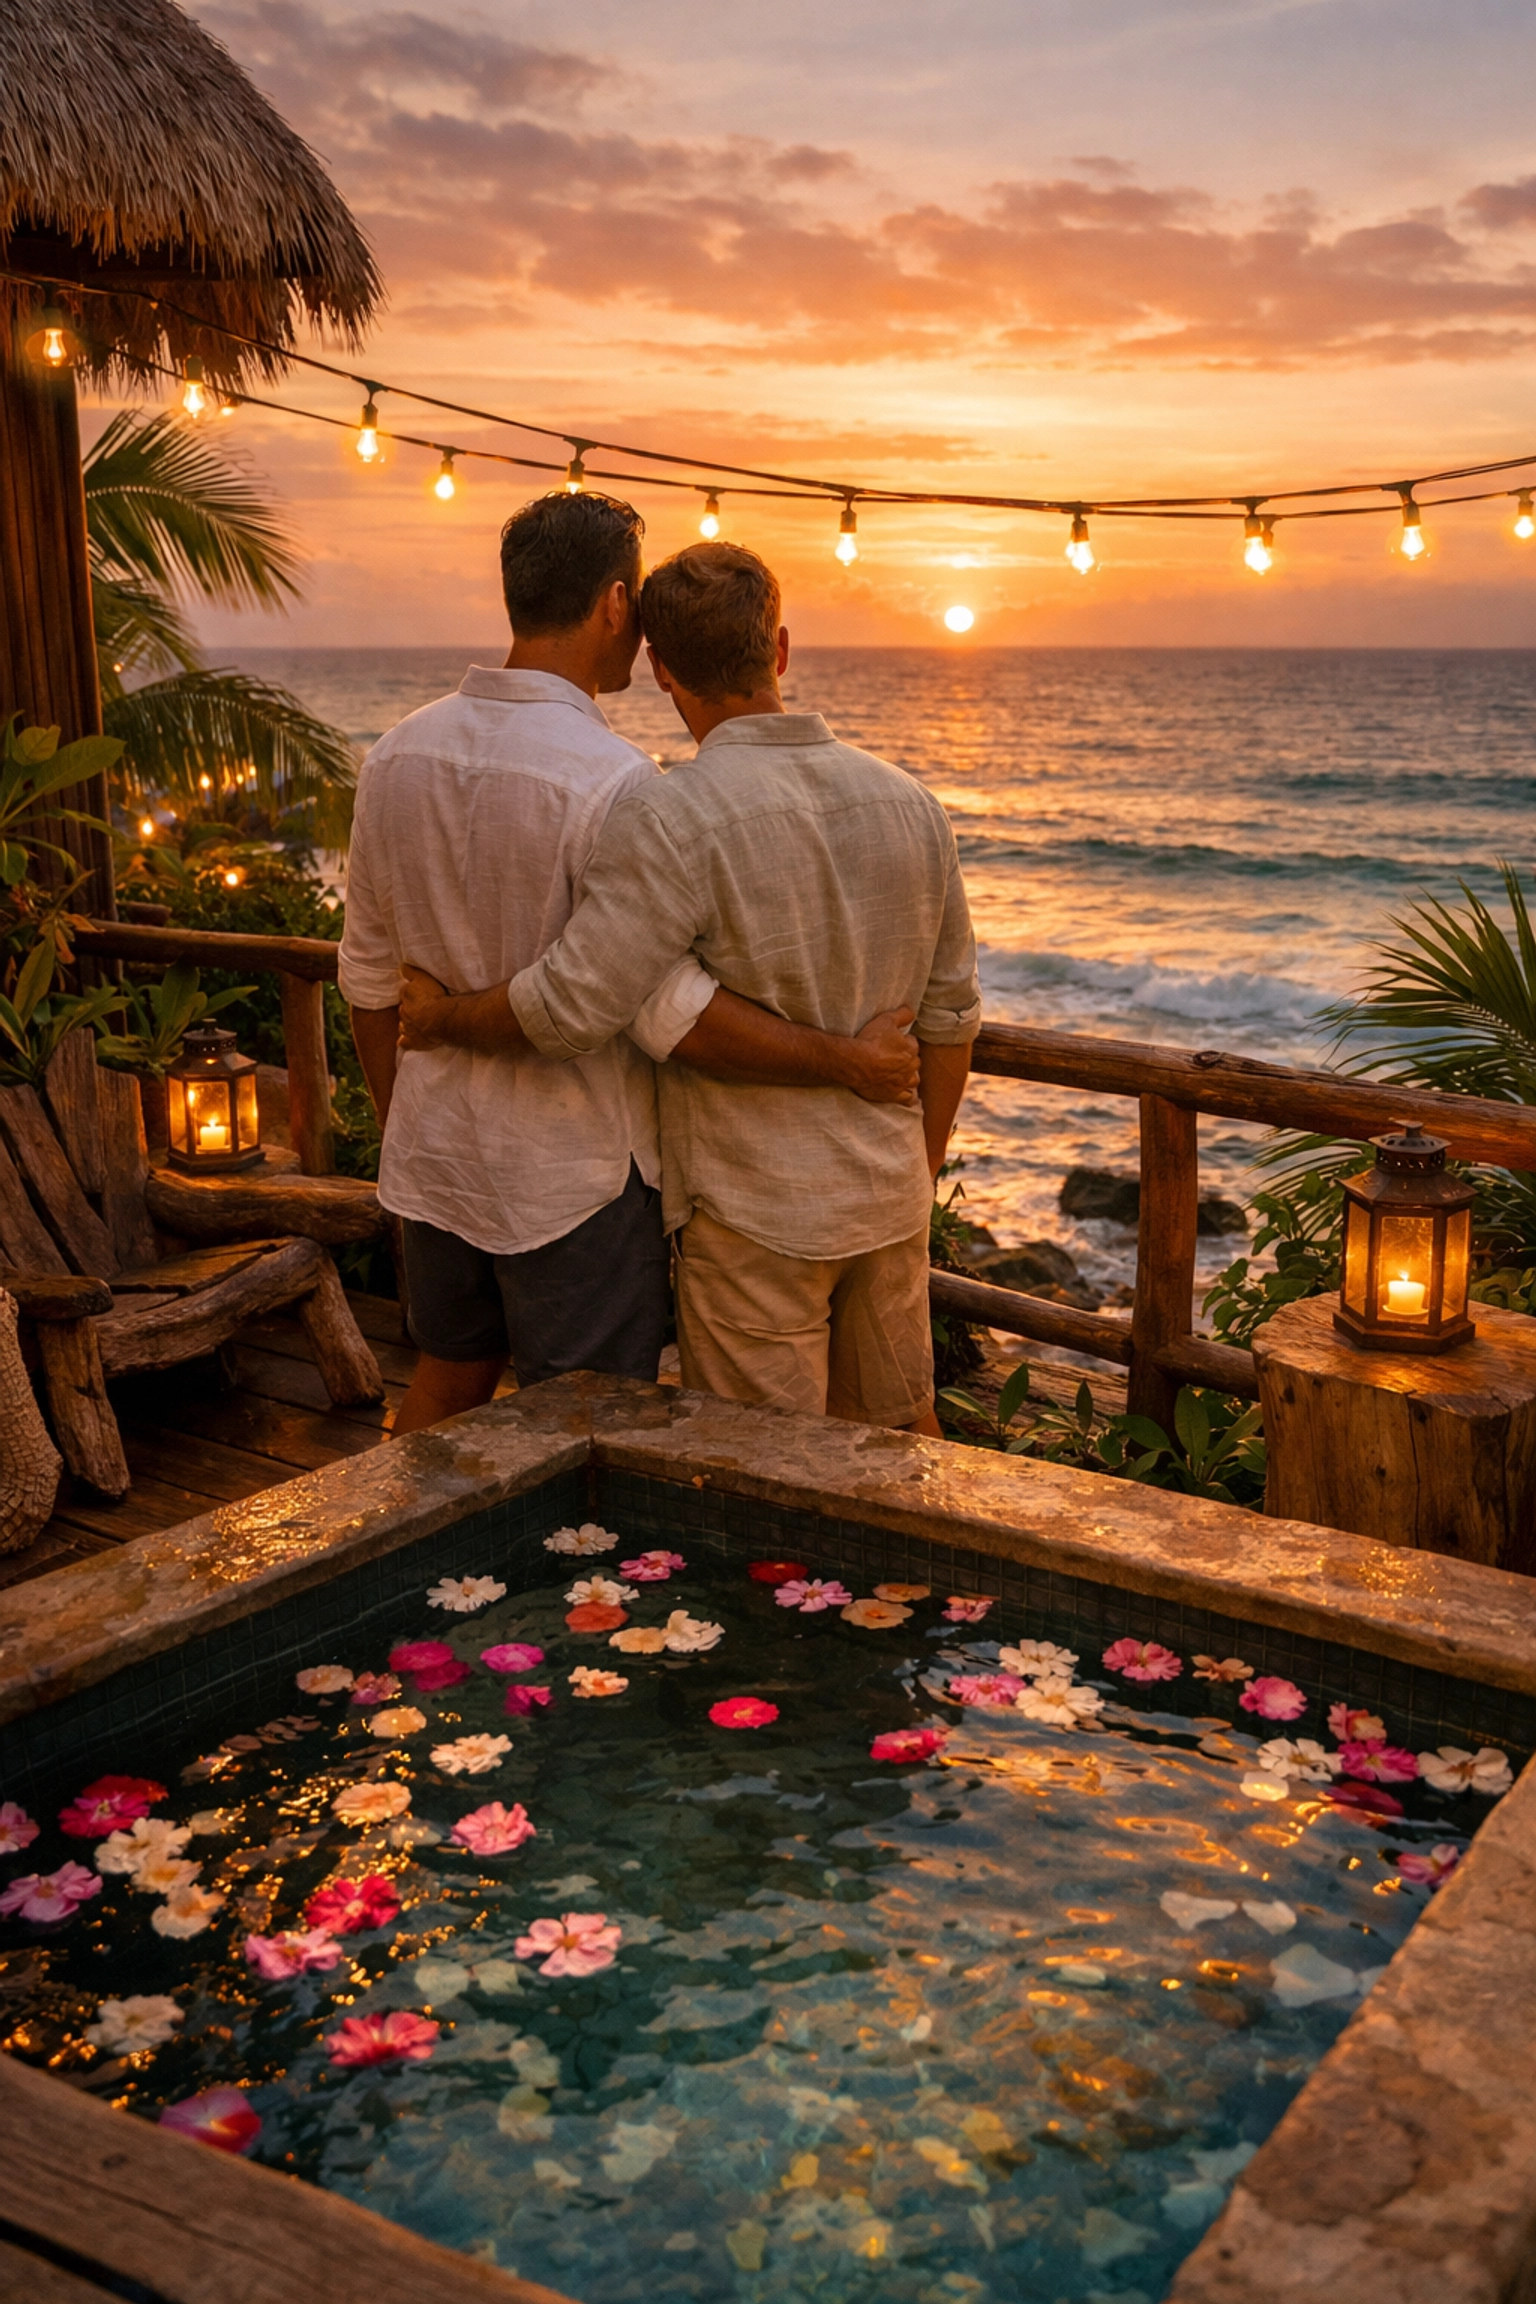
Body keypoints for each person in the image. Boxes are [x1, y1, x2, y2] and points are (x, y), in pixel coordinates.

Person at [340, 497, 919, 1437]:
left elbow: (368, 984)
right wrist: (850, 1061)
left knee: (447, 1383)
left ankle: (406, 1575)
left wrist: (409, 1122)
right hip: (580, 1174)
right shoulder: (612, 781)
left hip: (437, 1155)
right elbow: (663, 1007)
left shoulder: (395, 756)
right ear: (617, 606)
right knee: (589, 1433)